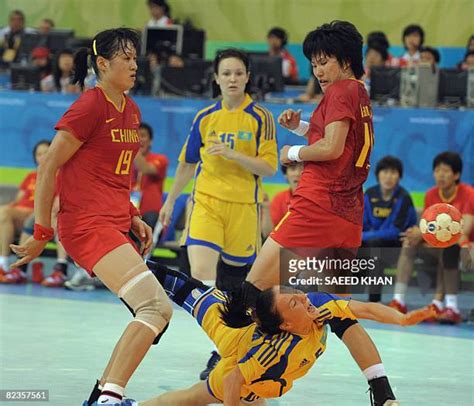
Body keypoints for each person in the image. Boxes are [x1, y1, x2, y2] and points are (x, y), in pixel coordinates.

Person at [225, 21, 400, 404]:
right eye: (314, 64)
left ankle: (241, 375)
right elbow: (344, 143)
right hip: (348, 217)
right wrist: (303, 128)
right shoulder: (359, 92)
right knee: (339, 314)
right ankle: (382, 391)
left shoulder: (340, 91)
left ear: (346, 60)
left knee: (247, 297)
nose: (318, 71)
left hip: (316, 208)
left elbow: (333, 149)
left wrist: (290, 154)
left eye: (324, 62)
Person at [9, 28, 173, 405]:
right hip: (86, 225)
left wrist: (132, 214)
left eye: (135, 57)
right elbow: (49, 166)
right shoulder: (88, 106)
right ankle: (109, 399)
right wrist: (42, 230)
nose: (135, 64)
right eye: (127, 58)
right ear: (102, 63)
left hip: (114, 220)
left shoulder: (131, 110)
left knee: (152, 310)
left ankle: (102, 394)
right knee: (155, 307)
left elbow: (115, 175)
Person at [139, 261, 435, 406]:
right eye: (294, 301)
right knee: (193, 397)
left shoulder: (318, 306)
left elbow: (366, 310)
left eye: (295, 292)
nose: (303, 297)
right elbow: (232, 379)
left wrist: (403, 319)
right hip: (239, 364)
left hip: (263, 370)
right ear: (286, 325)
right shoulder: (274, 350)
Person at [159, 47, 278, 378]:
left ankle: (226, 347)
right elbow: (187, 163)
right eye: (226, 73)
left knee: (238, 286)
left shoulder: (261, 117)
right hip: (207, 204)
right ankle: (219, 348)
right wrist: (170, 201)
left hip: (243, 209)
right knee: (202, 276)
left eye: (239, 73)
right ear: (216, 78)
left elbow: (269, 166)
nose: (233, 79)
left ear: (248, 77)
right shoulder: (204, 117)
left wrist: (232, 154)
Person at [389, 152, 473, 323]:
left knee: (448, 247)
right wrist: (417, 234)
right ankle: (398, 300)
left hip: (466, 247)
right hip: (441, 243)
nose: (440, 175)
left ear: (456, 175)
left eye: (446, 171)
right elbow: (428, 227)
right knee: (409, 243)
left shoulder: (469, 194)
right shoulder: (431, 194)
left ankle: (449, 306)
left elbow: (462, 230)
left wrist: (423, 231)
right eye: (437, 170)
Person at [362, 156, 417, 301]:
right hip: (370, 241)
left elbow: (395, 231)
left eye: (393, 173)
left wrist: (364, 236)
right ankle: (337, 298)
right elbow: (362, 223)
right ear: (378, 174)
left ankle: (374, 300)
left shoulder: (404, 197)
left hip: (396, 246)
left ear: (399, 177)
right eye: (385, 172)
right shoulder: (369, 194)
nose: (388, 177)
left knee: (375, 247)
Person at [0, 140, 50, 279]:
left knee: (5, 212)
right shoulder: (31, 176)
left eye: (46, 153)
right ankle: (3, 263)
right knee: (3, 211)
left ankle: (4, 264)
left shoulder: (57, 175)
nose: (42, 156)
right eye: (39, 154)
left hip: (35, 214)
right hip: (20, 213)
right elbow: (17, 200)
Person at [132, 123, 169, 230]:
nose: (139, 140)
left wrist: (133, 146)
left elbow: (145, 168)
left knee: (149, 221)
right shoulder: (125, 161)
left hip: (151, 215)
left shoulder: (161, 159)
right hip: (129, 212)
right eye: (136, 136)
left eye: (142, 136)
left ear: (150, 140)